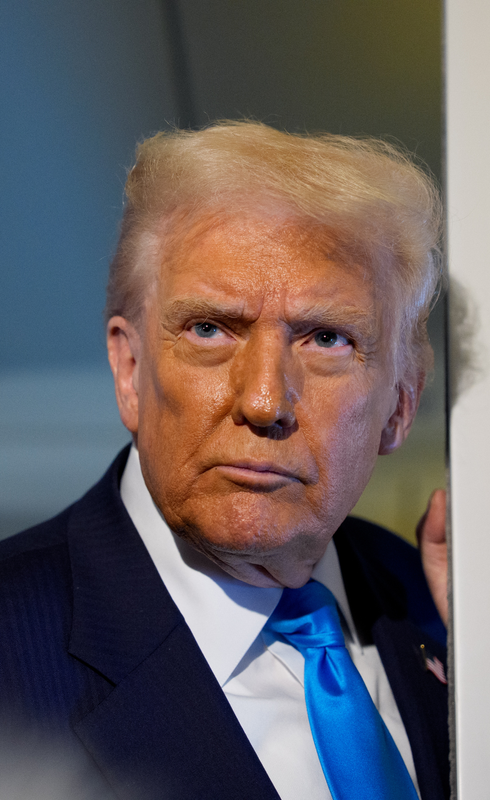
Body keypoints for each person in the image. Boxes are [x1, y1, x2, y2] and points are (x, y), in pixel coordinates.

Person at [0, 121, 450, 800]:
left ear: (400, 405)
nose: (264, 399)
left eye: (327, 339)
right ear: (130, 368)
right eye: (210, 329)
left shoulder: (443, 610)